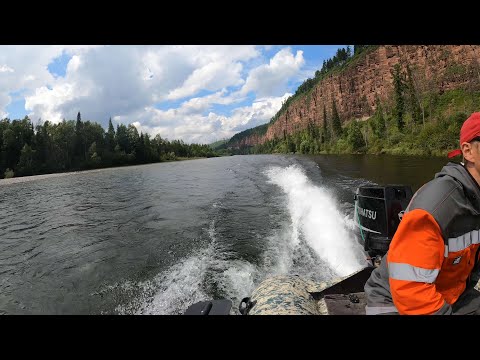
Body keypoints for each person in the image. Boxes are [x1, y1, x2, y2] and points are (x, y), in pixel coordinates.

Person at [364, 112, 480, 315]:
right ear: (468, 151)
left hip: (450, 294)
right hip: (393, 302)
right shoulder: (435, 209)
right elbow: (410, 291)